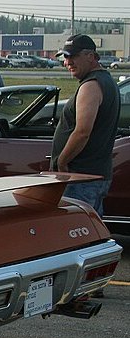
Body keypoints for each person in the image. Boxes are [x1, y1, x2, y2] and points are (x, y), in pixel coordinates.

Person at [50, 34, 120, 216]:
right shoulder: (106, 81)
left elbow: (82, 132)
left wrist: (62, 162)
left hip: (81, 178)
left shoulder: (91, 86)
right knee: (90, 231)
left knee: (73, 233)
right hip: (93, 176)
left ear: (90, 56)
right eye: (65, 57)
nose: (67, 62)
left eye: (72, 56)